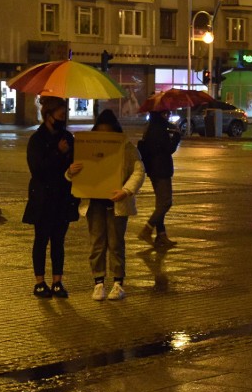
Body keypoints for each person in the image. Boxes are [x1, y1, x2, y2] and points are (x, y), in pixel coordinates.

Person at [68, 110, 145, 301]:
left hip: (116, 202)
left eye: (108, 132)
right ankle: (98, 282)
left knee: (116, 242)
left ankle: (118, 283)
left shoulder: (126, 148)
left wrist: (126, 191)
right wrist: (70, 172)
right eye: (101, 132)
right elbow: (75, 173)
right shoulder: (87, 146)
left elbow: (139, 170)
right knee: (97, 243)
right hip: (94, 203)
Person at [22, 97, 78, 298]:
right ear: (48, 116)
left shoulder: (68, 137)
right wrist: (57, 152)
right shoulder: (37, 140)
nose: (63, 118)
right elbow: (37, 169)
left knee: (58, 241)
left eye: (65, 114)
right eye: (60, 114)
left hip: (63, 196)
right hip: (43, 197)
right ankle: (39, 282)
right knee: (41, 239)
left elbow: (75, 163)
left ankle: (57, 281)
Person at [137, 110, 181, 249]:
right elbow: (168, 149)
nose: (167, 114)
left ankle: (161, 235)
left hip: (154, 169)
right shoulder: (159, 128)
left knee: (160, 203)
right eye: (165, 112)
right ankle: (147, 229)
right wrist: (177, 137)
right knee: (166, 203)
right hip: (161, 169)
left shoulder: (151, 127)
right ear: (159, 114)